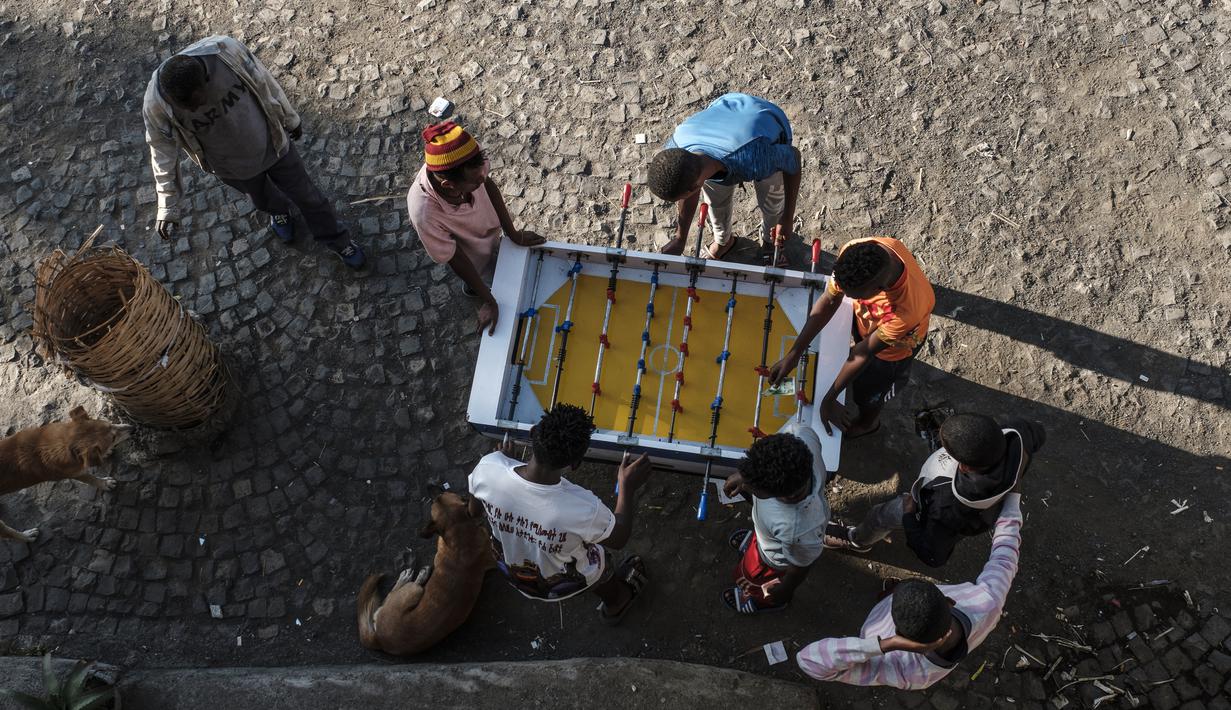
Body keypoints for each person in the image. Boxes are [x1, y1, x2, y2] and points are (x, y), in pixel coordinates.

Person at [142, 35, 365, 268]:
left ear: (205, 82)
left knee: (310, 198)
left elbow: (264, 82)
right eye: (184, 106)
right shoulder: (155, 104)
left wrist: (289, 118)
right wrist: (167, 206)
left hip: (274, 145)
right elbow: (161, 151)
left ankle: (337, 240)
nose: (193, 110)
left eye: (195, 102)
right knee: (264, 201)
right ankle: (279, 211)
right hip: (233, 168)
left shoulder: (226, 53)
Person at [796, 479, 1025, 690]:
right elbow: (1005, 555)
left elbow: (809, 661)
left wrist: (886, 645)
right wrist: (1012, 494)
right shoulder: (988, 603)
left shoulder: (900, 669)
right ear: (948, 601)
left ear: (897, 632)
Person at [467, 404, 653, 625]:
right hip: (563, 581)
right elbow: (620, 536)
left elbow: (474, 511)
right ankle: (617, 601)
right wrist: (626, 487)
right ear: (575, 464)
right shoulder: (582, 507)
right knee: (598, 568)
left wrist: (505, 462)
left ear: (533, 433)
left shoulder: (489, 467)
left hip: (510, 569)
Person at [768, 237, 935, 437]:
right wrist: (793, 355)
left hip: (893, 352)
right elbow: (830, 299)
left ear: (879, 289)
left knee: (870, 395)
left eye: (855, 296)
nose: (846, 296)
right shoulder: (854, 251)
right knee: (857, 370)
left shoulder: (907, 310)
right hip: (869, 326)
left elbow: (863, 353)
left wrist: (828, 401)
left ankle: (868, 424)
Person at [826, 413, 1044, 566]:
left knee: (881, 515)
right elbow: (1039, 434)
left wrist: (911, 515)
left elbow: (932, 555)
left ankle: (858, 541)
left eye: (947, 448)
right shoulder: (1018, 434)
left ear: (965, 466)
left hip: (930, 512)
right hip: (971, 515)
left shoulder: (947, 507)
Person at [407, 121, 546, 334]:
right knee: (483, 274)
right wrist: (490, 300)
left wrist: (513, 234)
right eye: (474, 183)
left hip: (488, 230)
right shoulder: (424, 212)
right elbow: (456, 257)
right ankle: (474, 288)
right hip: (471, 254)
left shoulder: (471, 155)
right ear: (449, 186)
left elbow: (488, 184)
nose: (482, 179)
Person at [647, 93, 801, 263]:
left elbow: (793, 158)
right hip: (728, 117)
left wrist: (786, 218)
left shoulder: (755, 158)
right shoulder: (676, 150)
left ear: (695, 186)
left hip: (766, 125)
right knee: (716, 204)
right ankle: (724, 241)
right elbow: (688, 193)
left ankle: (770, 242)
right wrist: (680, 239)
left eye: (685, 196)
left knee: (772, 203)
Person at [720, 422, 830, 614]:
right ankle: (757, 543)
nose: (748, 486)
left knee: (752, 577)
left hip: (772, 560)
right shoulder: (800, 434)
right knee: (764, 534)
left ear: (781, 495)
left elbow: (799, 566)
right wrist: (746, 475)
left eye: (754, 488)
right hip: (770, 534)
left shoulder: (799, 530)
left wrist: (785, 589)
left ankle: (764, 600)